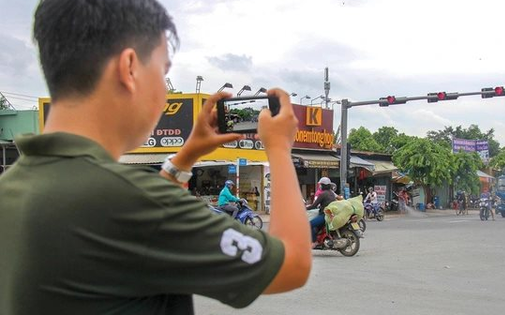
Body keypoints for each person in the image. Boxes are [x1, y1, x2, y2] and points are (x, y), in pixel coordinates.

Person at [0, 1, 311, 314]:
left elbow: (139, 228)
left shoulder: (12, 187)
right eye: (163, 72)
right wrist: (280, 149)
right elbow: (292, 263)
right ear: (130, 68)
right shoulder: (131, 200)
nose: (164, 91)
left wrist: (187, 155)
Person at [305, 177, 337, 246]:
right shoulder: (332, 193)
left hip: (324, 215)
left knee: (309, 224)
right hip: (330, 214)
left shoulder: (323, 194)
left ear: (324, 185)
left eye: (321, 185)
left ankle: (314, 241)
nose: (320, 186)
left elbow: (314, 205)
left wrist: (305, 208)